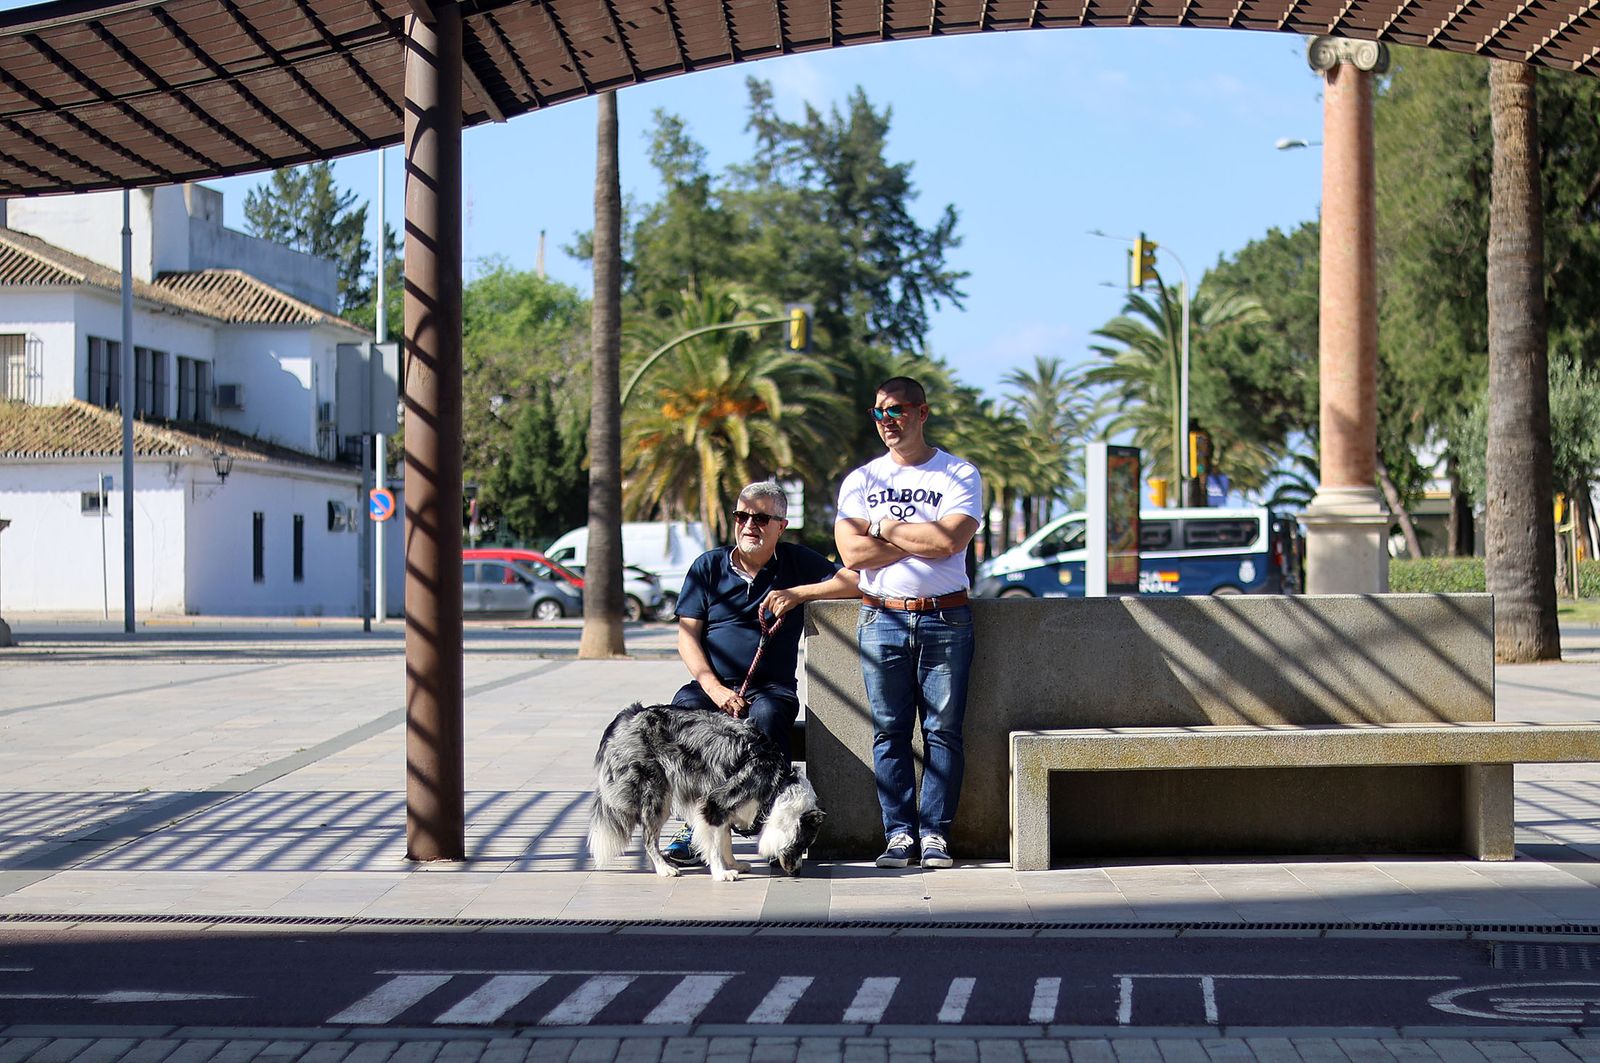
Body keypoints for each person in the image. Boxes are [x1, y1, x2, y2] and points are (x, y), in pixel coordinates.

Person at [662, 480, 861, 867]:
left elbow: (855, 581)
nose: (749, 525)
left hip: (770, 688)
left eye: (760, 517)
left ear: (780, 526)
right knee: (684, 710)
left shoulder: (796, 562)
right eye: (742, 516)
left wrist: (801, 594)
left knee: (768, 717)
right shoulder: (708, 566)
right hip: (713, 685)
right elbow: (687, 637)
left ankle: (777, 829)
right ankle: (692, 823)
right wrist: (715, 688)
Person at [834, 377, 982, 870]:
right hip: (881, 619)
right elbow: (852, 553)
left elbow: (950, 543)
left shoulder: (959, 474)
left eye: (896, 410)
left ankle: (935, 834)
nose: (887, 421)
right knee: (889, 731)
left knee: (943, 731)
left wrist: (884, 527)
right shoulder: (860, 480)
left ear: (922, 412)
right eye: (878, 412)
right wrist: (922, 535)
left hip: (946, 618)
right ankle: (898, 834)